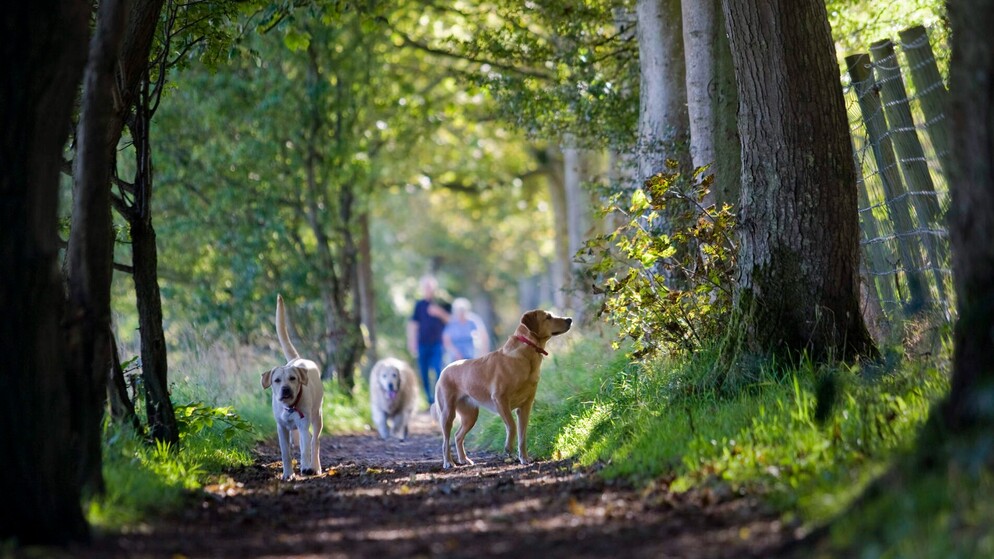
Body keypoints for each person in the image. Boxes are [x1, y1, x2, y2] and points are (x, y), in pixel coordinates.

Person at [406, 275, 450, 404]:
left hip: (438, 344)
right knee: (424, 373)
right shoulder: (419, 305)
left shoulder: (442, 303)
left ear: (434, 288)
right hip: (422, 344)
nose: (428, 289)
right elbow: (413, 324)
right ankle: (429, 400)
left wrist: (439, 312)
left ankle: (439, 399)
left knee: (438, 371)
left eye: (430, 287)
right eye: (425, 287)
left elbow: (451, 320)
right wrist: (412, 342)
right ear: (422, 289)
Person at [443, 297, 489, 362]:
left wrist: (483, 351)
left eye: (463, 311)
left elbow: (483, 335)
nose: (461, 314)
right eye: (459, 312)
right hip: (455, 356)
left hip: (471, 354)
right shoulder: (452, 323)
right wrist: (455, 352)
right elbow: (446, 341)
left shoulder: (473, 321)